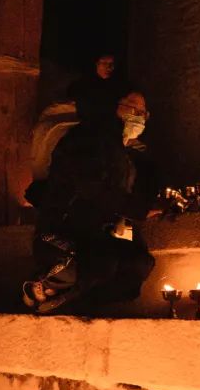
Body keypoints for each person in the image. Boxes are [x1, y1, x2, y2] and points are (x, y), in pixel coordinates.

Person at [22, 89, 158, 314]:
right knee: (93, 264)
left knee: (137, 263)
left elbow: (120, 195)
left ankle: (81, 304)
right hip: (62, 231)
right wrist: (139, 209)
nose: (139, 116)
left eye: (143, 112)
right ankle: (41, 287)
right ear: (113, 105)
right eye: (133, 107)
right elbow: (93, 189)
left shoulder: (124, 153)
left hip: (96, 235)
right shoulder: (85, 139)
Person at [67, 51, 127, 119]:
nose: (108, 67)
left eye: (111, 64)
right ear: (97, 64)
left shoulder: (118, 84)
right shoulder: (84, 82)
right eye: (104, 63)